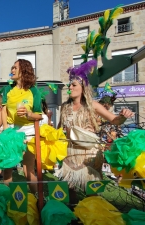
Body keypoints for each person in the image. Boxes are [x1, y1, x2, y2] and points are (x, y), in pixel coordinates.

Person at [56, 60, 134, 203]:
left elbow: (114, 120)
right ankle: (73, 216)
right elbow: (59, 130)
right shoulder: (64, 107)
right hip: (70, 152)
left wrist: (123, 116)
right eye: (69, 85)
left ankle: (94, 216)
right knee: (69, 189)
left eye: (74, 85)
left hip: (89, 154)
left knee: (92, 192)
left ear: (83, 88)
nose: (70, 87)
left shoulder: (93, 105)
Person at [2, 59, 42, 194]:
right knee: (7, 168)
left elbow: (39, 115)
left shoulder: (34, 91)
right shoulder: (7, 89)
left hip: (28, 132)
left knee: (27, 170)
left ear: (24, 70)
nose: (11, 70)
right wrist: (6, 129)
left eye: (15, 68)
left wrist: (29, 114)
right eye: (12, 68)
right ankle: (7, 200)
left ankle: (37, 200)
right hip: (11, 130)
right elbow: (3, 110)